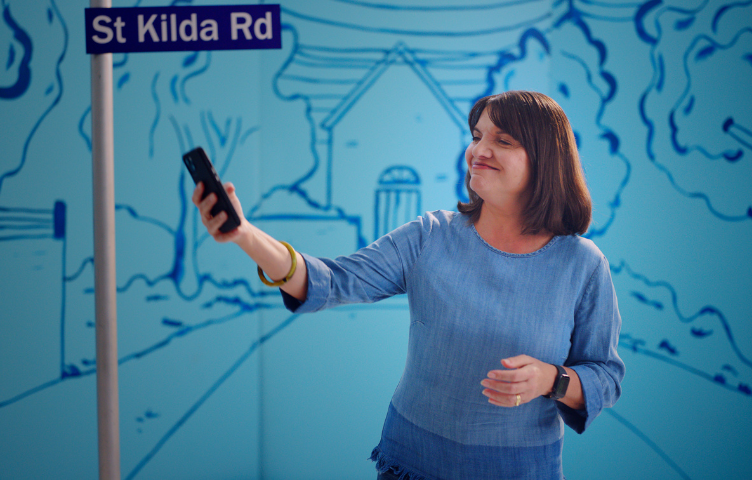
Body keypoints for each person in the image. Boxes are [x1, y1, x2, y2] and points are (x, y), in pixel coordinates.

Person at [192, 90, 625, 480]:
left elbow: (604, 375)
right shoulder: (429, 236)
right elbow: (332, 280)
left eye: (503, 141)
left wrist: (553, 379)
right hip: (413, 465)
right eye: (477, 135)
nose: (479, 150)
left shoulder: (582, 264)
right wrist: (244, 233)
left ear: (545, 161)